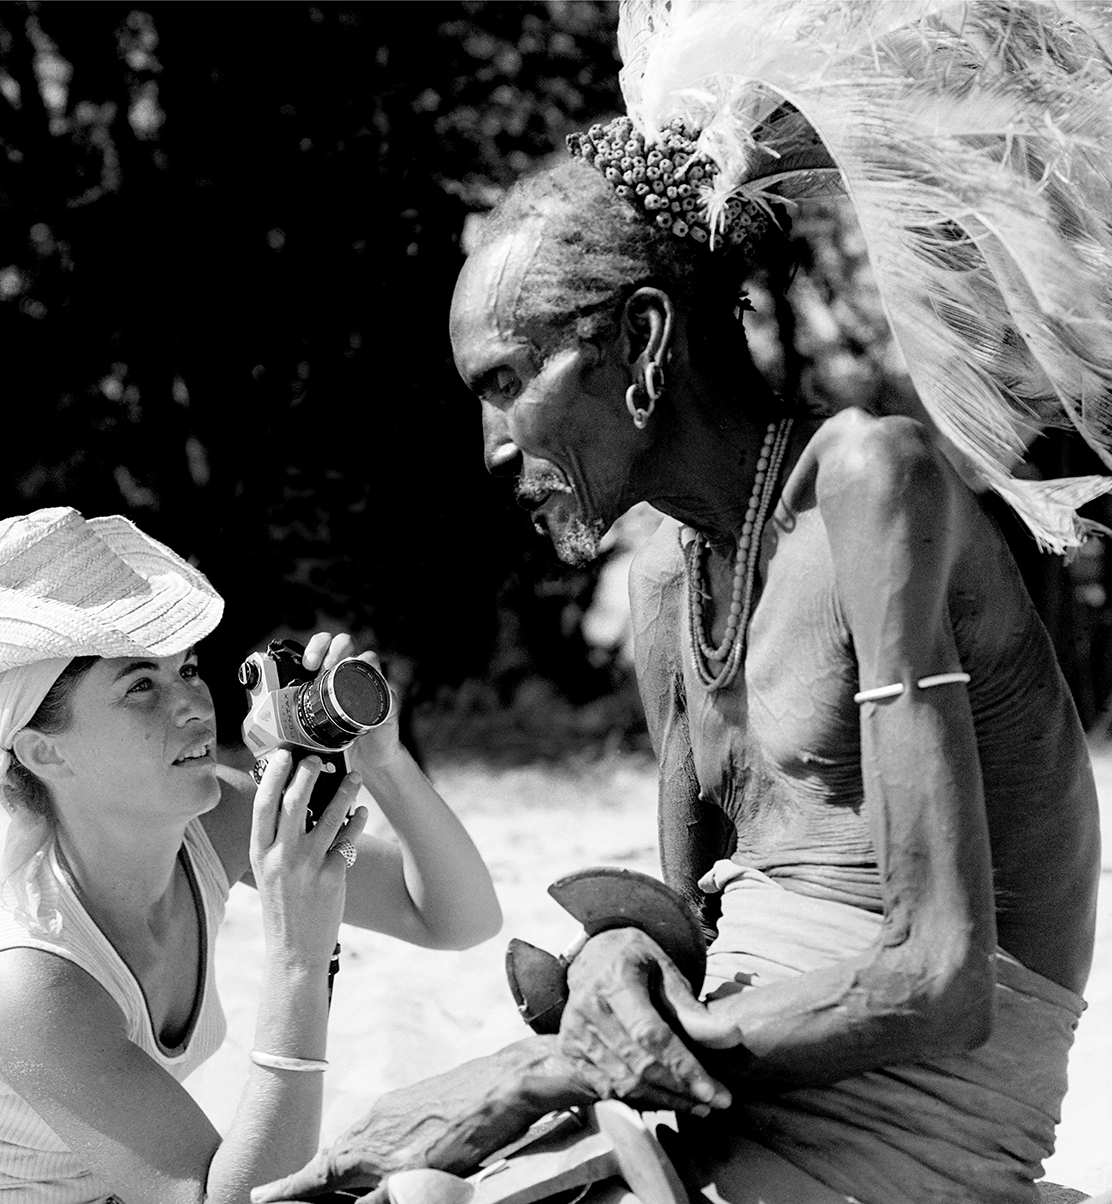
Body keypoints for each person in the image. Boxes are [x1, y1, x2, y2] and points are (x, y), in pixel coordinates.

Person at [252, 4, 1110, 1203]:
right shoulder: (669, 577)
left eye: (508, 382)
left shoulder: (873, 483)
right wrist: (616, 954)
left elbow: (937, 973)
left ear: (644, 344)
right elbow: (699, 933)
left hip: (911, 1148)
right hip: (725, 1109)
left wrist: (529, 1078)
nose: (494, 446)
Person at [0, 506, 502, 1204]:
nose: (194, 704)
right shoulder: (25, 980)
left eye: (187, 668)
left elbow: (457, 919)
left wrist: (385, 761)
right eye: (141, 686)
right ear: (45, 751)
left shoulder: (208, 822)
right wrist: (299, 960)